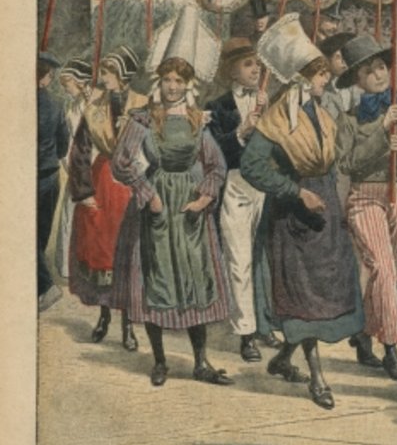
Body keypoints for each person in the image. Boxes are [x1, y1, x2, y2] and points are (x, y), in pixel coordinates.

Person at [241, 14, 364, 410]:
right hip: (291, 217)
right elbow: (252, 166)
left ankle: (282, 358)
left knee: (326, 289)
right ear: (301, 78)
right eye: (320, 75)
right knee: (302, 296)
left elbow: (336, 159)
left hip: (324, 207)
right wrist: (295, 192)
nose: (326, 81)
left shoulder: (320, 112)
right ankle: (317, 377)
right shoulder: (278, 118)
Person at [111, 53, 233, 387]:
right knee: (157, 280)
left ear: (187, 85)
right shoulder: (144, 119)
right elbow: (120, 162)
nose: (172, 87)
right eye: (167, 80)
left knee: (195, 279)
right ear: (158, 82)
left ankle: (200, 362)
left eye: (179, 81)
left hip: (190, 210)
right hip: (157, 206)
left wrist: (204, 199)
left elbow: (217, 166)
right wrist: (148, 193)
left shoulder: (197, 120)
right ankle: (160, 361)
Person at [335, 35, 397, 381]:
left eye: (381, 67)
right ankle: (391, 348)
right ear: (358, 80)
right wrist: (382, 133)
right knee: (381, 268)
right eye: (369, 71)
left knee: (393, 274)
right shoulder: (349, 119)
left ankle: (364, 333)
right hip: (365, 198)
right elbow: (348, 163)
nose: (379, 75)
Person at [205, 38, 277, 363]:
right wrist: (242, 132)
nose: (255, 70)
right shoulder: (217, 107)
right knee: (239, 261)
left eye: (257, 65)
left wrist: (269, 119)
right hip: (235, 186)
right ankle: (245, 333)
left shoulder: (267, 102)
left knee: (264, 260)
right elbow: (213, 152)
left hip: (264, 185)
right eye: (248, 64)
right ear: (232, 70)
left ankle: (265, 323)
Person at [68, 46, 141, 348]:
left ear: (122, 75)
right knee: (102, 252)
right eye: (103, 73)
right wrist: (83, 191)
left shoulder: (143, 103)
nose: (104, 78)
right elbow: (80, 150)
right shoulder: (95, 104)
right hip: (102, 183)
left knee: (129, 254)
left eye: (109, 73)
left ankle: (129, 326)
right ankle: (104, 318)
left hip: (133, 184)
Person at [54, 57, 93, 279]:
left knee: (89, 216)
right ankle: (69, 268)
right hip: (73, 165)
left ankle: (89, 265)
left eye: (67, 83)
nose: (65, 88)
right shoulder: (71, 104)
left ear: (79, 81)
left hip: (88, 167)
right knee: (70, 215)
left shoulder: (92, 104)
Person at [37, 52, 69, 313]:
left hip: (32, 178)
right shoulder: (57, 106)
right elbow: (63, 145)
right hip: (49, 176)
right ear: (45, 79)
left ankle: (44, 287)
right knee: (39, 236)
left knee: (31, 239)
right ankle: (46, 287)